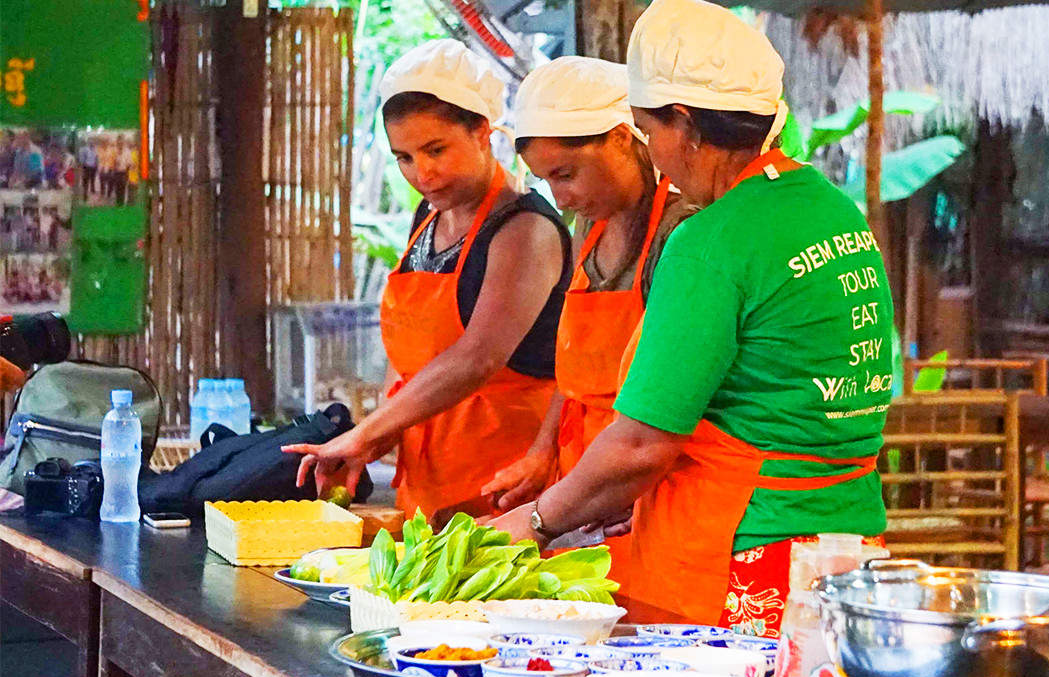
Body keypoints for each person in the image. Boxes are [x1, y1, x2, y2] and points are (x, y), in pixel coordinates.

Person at [489, 0, 895, 638]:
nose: (657, 155)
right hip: (843, 549)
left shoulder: (710, 241)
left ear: (683, 122)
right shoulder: (834, 212)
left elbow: (643, 444)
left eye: (650, 133)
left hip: (740, 553)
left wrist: (537, 521)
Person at [284, 40, 571, 523]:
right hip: (425, 480)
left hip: (505, 486)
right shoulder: (427, 218)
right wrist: (383, 434)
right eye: (405, 158)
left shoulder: (524, 230)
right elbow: (410, 360)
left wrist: (369, 431)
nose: (423, 173)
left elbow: (476, 358)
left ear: (482, 132)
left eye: (436, 150)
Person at [480, 57, 693, 541]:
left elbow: (685, 401)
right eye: (547, 180)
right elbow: (574, 373)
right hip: (582, 486)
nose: (558, 199)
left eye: (566, 174)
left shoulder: (680, 231)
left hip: (645, 488)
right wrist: (542, 454)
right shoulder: (588, 226)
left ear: (621, 138)